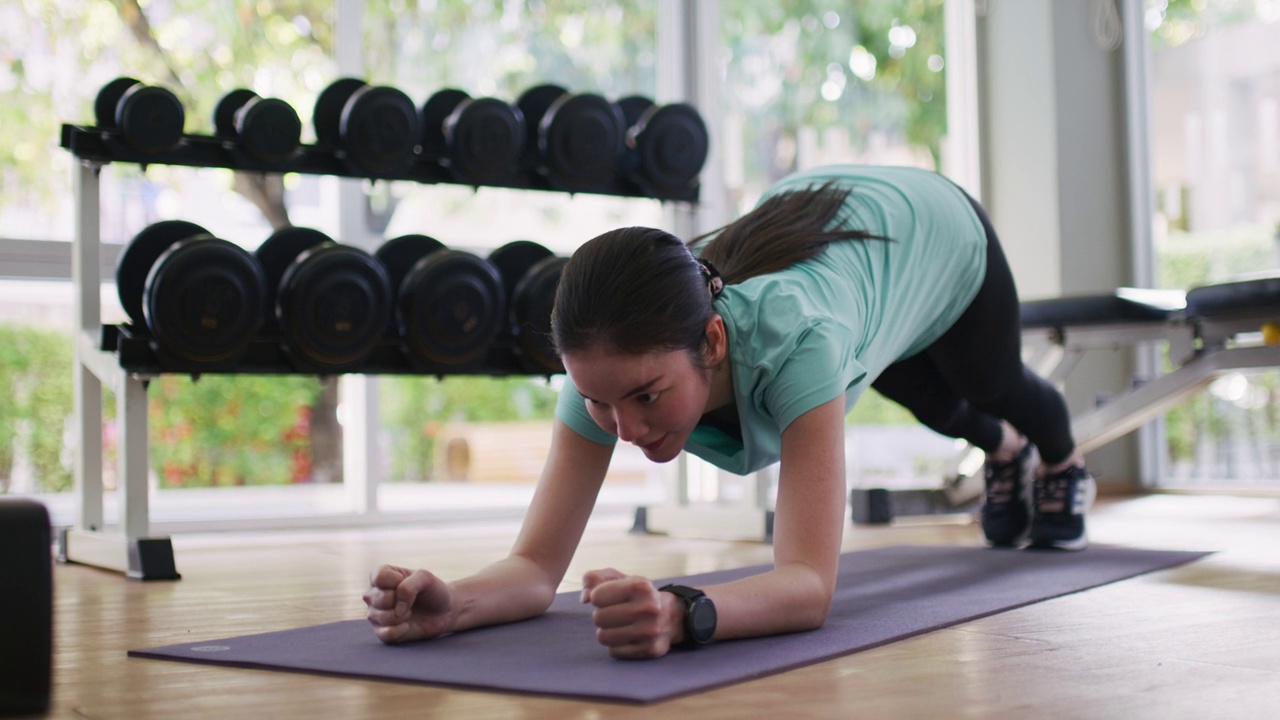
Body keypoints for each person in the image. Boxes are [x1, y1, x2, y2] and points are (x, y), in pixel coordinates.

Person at [364, 164, 1096, 659]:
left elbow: (809, 586)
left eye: (647, 397)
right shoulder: (609, 365)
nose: (625, 428)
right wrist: (450, 603)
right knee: (925, 398)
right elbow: (532, 567)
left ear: (713, 340)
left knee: (985, 378)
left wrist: (683, 613)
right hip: (841, 254)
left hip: (933, 228)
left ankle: (1061, 463)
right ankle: (1005, 455)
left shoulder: (799, 342)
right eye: (598, 402)